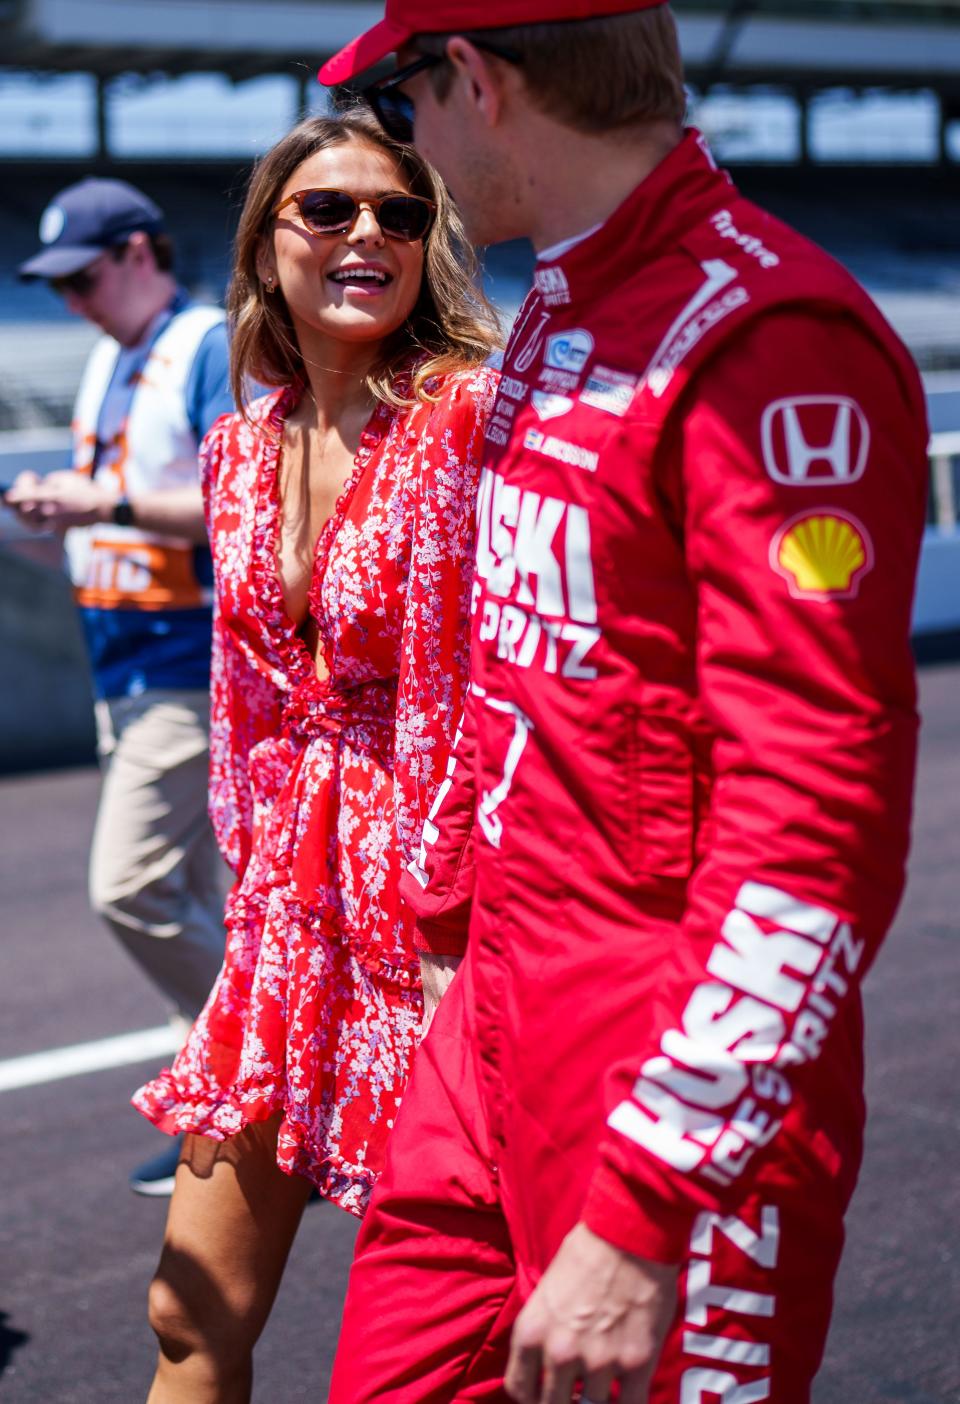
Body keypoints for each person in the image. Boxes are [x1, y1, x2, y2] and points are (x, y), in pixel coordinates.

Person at [319, 4, 930, 1401]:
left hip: (662, 1062)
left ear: (472, 77)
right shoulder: (558, 304)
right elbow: (511, 663)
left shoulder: (773, 343)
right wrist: (448, 930)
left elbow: (818, 824)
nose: (407, 141)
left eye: (406, 100)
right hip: (493, 1021)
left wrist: (655, 1199)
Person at [131, 110, 499, 1401]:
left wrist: (461, 943)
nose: (367, 236)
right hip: (293, 923)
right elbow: (244, 711)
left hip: (449, 927)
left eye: (399, 215)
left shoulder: (472, 422)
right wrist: (256, 903)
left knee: (464, 1347)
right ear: (266, 242)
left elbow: (491, 698)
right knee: (191, 1314)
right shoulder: (238, 454)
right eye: (328, 210)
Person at [6, 178, 233, 1196]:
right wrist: (53, 522)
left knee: (130, 888)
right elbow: (114, 526)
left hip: (193, 664)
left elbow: (251, 501)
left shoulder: (209, 345)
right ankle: (246, 1098)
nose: (73, 303)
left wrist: (104, 499)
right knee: (182, 895)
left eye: (85, 277)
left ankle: (256, 1075)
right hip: (122, 669)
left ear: (141, 251)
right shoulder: (112, 356)